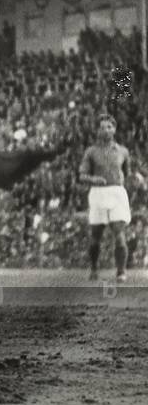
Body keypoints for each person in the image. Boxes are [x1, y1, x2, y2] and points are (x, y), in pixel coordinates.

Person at [80, 114, 145, 281]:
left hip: (117, 193)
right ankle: (94, 268)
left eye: (109, 127)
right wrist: (93, 179)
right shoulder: (91, 152)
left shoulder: (123, 151)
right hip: (98, 193)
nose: (106, 130)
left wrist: (135, 178)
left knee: (119, 232)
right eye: (102, 127)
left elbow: (127, 173)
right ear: (98, 130)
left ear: (114, 129)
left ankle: (121, 271)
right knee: (96, 236)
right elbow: (82, 175)